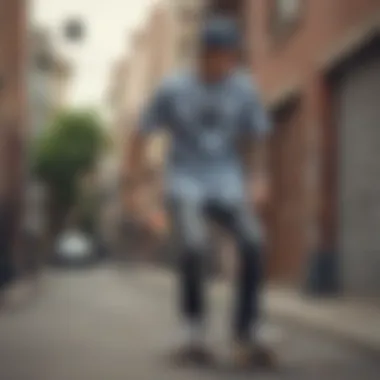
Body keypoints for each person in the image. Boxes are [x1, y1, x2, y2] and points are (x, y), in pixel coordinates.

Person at [126, 16, 274, 368]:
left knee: (253, 241)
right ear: (203, 55)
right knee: (194, 245)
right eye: (218, 56)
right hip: (185, 180)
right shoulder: (174, 88)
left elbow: (259, 137)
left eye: (231, 57)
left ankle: (246, 330)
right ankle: (193, 328)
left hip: (227, 180)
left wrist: (259, 177)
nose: (225, 64)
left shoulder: (244, 88)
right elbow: (140, 132)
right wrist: (136, 187)